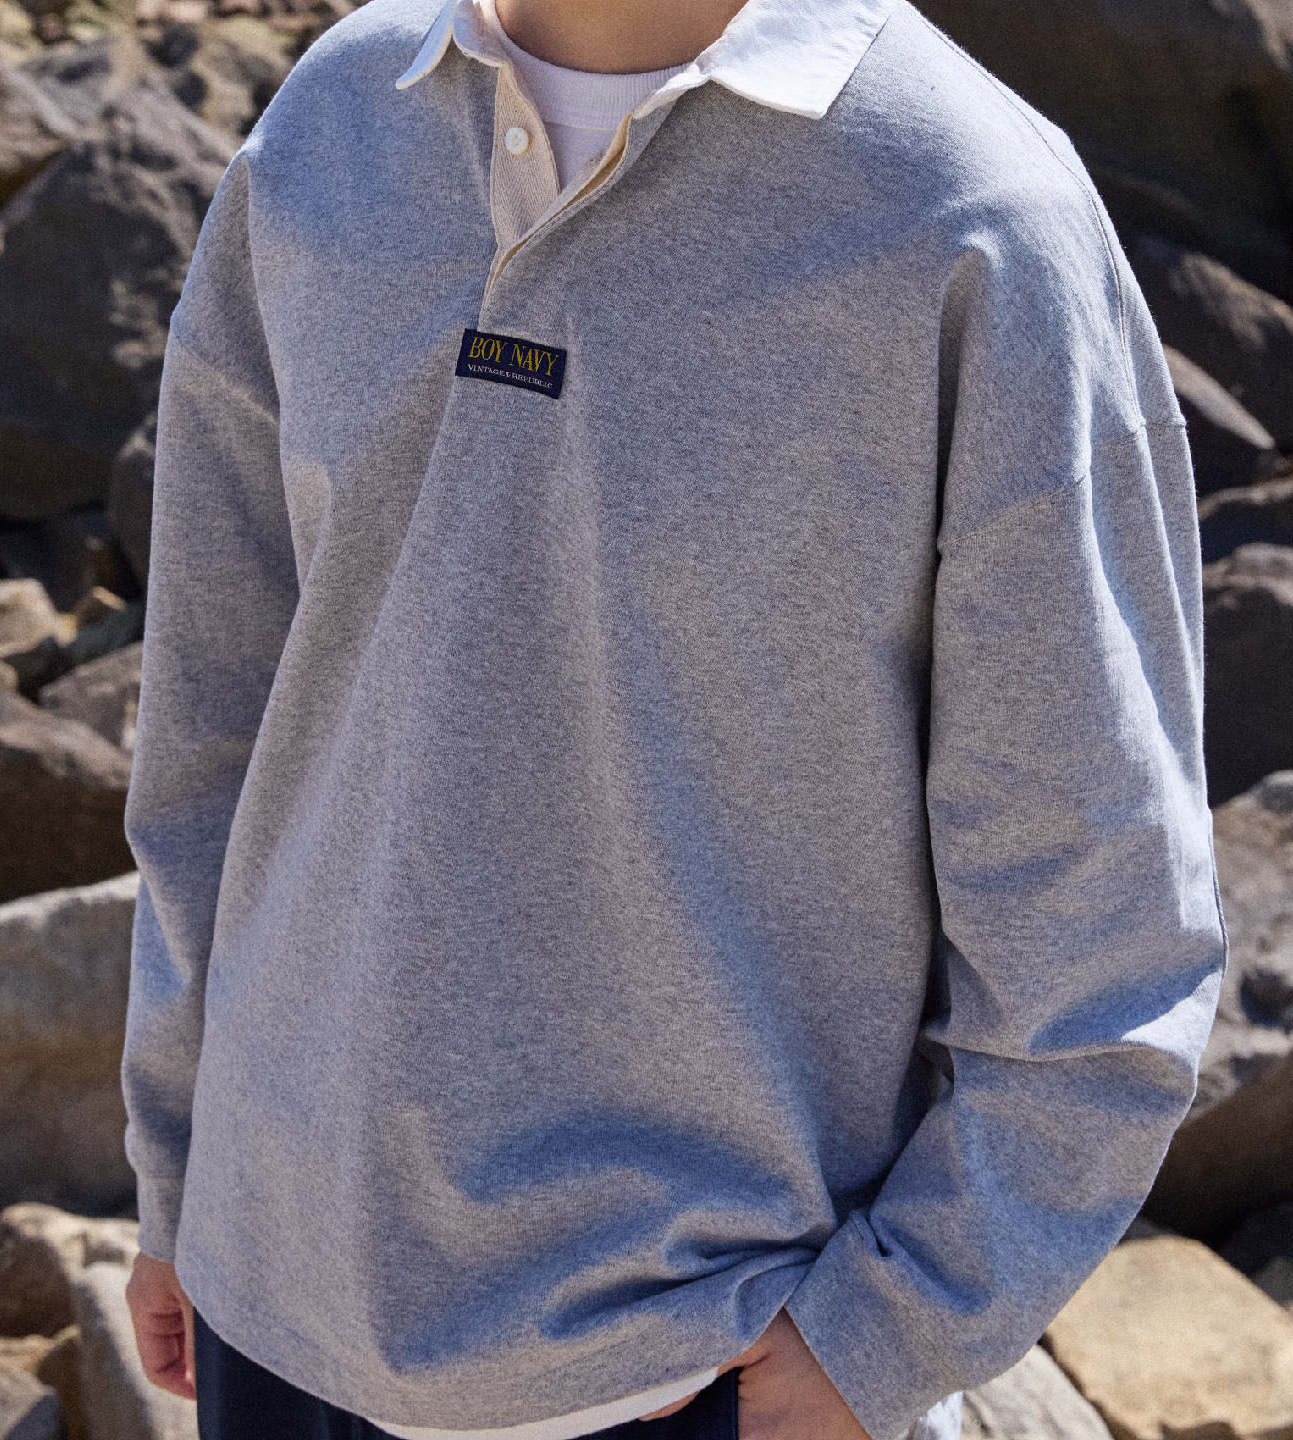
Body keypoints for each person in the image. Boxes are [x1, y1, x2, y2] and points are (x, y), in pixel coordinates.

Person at [117, 0, 1230, 1437]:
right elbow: (211, 727)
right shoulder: (335, 121)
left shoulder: (975, 215)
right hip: (273, 1319)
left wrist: (892, 1330)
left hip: (693, 1374)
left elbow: (1104, 913)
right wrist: (176, 1166)